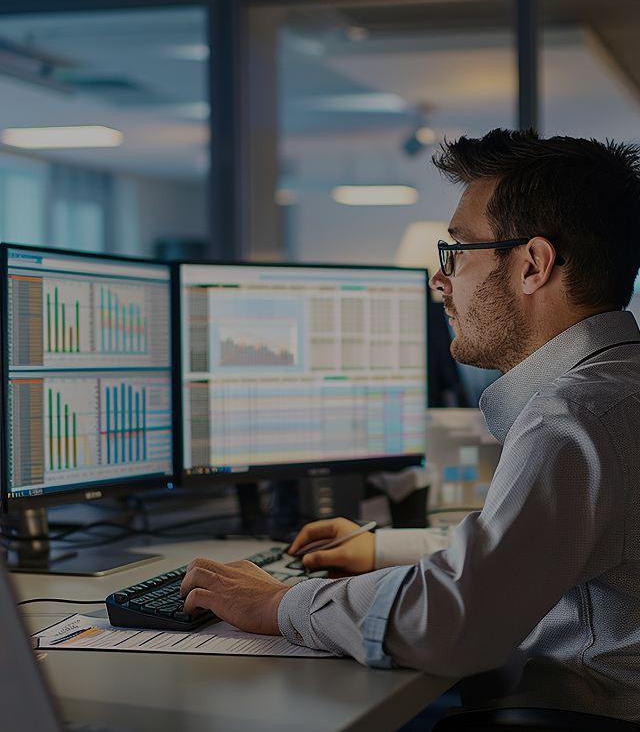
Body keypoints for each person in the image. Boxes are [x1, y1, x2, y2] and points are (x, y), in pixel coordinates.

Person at [180, 129, 640, 721]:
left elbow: (451, 622)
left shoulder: (576, 419)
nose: (438, 282)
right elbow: (534, 551)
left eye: (458, 251)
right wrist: (380, 548)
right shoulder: (618, 390)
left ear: (533, 265)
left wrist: (279, 604)